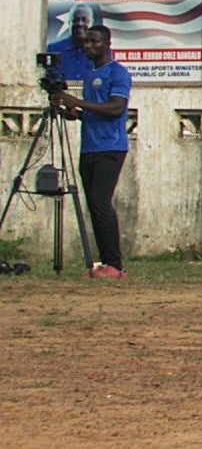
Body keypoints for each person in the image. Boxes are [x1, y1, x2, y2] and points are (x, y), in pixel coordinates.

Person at [42, 19, 131, 277]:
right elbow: (92, 112)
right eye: (86, 42)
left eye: (95, 42)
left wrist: (77, 101)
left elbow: (115, 109)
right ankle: (104, 263)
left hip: (110, 148)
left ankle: (115, 264)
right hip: (89, 148)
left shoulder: (117, 72)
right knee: (93, 204)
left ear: (107, 44)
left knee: (101, 202)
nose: (89, 46)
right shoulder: (90, 75)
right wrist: (73, 112)